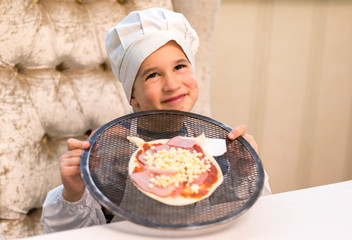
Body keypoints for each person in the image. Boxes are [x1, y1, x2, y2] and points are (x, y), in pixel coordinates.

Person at [41, 7, 271, 233]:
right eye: (153, 75)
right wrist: (73, 193)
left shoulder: (218, 144)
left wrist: (245, 171)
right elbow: (80, 234)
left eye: (180, 66)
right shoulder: (113, 151)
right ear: (133, 94)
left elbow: (241, 216)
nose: (172, 84)